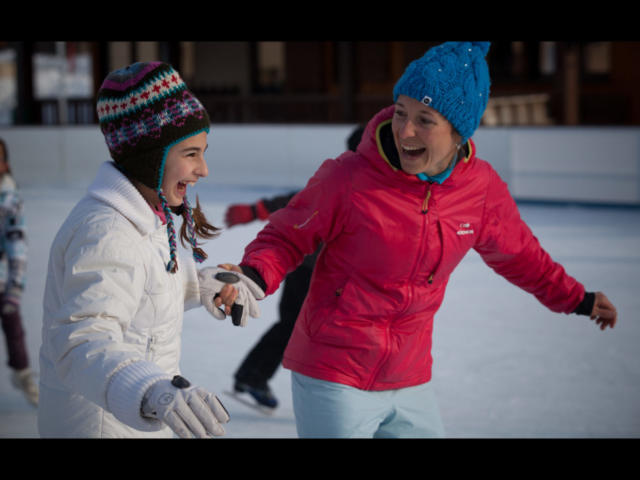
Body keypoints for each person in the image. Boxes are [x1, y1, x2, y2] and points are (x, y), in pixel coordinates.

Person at [218, 42, 618, 438]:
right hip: (335, 373)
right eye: (402, 112)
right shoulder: (348, 178)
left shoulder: (479, 190)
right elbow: (287, 235)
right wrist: (253, 275)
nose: (405, 129)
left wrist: (577, 298)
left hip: (409, 377)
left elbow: (522, 256)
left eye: (425, 119)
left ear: (458, 131)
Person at [38, 61, 262, 438]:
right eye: (190, 154)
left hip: (132, 422)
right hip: (101, 426)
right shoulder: (108, 232)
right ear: (148, 156)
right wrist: (149, 390)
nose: (203, 169)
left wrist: (201, 284)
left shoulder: (145, 217)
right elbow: (81, 342)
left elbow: (139, 281)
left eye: (203, 152)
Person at [226, 126, 364, 411]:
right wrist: (254, 211)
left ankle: (252, 376)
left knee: (309, 330)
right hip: (311, 269)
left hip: (335, 274)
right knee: (295, 327)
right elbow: (299, 201)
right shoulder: (346, 177)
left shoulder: (367, 180)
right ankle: (254, 376)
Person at [0, 138, 38, 406]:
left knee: (13, 329)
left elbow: (17, 245)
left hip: (2, 282)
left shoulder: (8, 199)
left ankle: (23, 375)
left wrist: (14, 287)